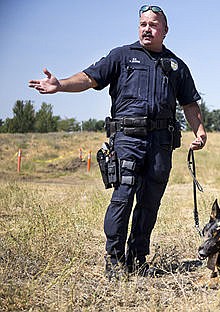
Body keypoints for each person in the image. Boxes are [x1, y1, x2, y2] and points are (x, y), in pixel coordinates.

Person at [29, 5, 207, 279]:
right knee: (123, 197)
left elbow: (189, 104)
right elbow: (89, 78)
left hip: (161, 143)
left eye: (153, 24)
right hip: (127, 139)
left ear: (165, 30)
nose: (147, 28)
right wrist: (60, 84)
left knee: (150, 202)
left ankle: (137, 258)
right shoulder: (122, 56)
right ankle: (114, 260)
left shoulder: (176, 65)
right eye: (143, 24)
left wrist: (200, 131)